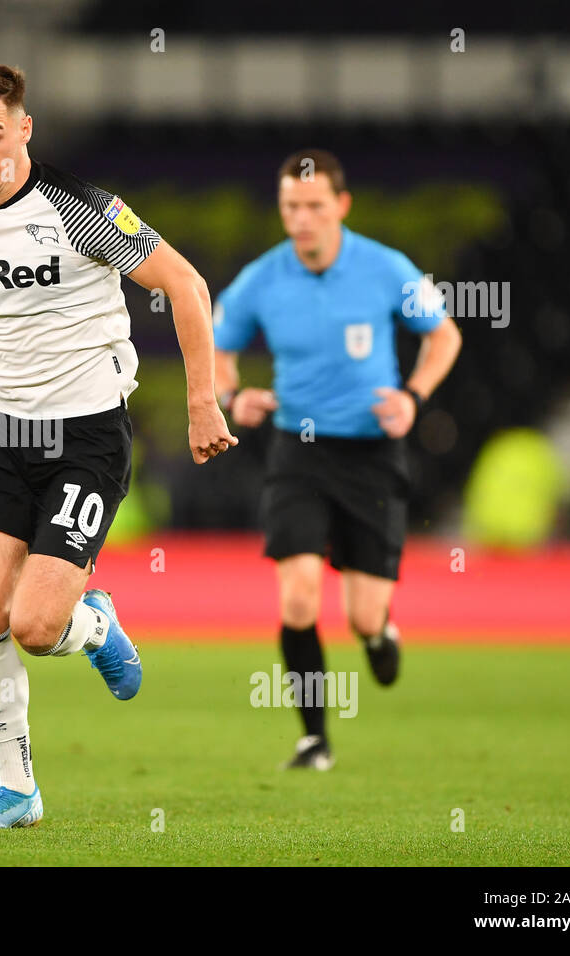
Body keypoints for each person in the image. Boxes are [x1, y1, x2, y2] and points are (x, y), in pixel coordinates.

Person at [0, 64, 236, 827]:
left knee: (36, 625)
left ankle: (96, 625)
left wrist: (199, 403)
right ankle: (18, 789)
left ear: (25, 128)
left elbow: (185, 285)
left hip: (87, 435)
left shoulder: (79, 209)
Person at [214, 150, 462, 770]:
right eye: (291, 207)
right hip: (297, 453)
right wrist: (230, 395)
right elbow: (217, 347)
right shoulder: (262, 279)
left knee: (362, 613)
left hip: (373, 454)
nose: (301, 219)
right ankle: (314, 738)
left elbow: (444, 334)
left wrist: (413, 397)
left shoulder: (384, 268)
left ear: (341, 206)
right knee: (297, 596)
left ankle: (380, 631)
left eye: (314, 206)